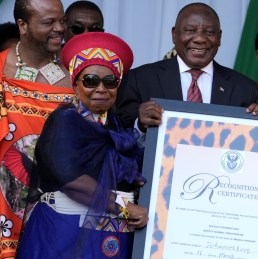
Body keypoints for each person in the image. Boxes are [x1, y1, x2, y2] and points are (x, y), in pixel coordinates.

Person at [17, 32, 148, 258]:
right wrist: (124, 207)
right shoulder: (65, 120)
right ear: (75, 83)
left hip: (109, 233)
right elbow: (71, 180)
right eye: (90, 81)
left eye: (110, 82)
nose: (101, 89)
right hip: (64, 230)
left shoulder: (115, 125)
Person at [0, 0, 73, 257]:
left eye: (62, 20)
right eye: (48, 22)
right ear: (23, 25)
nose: (60, 28)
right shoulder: (0, 69)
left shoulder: (75, 79)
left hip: (51, 207)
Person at [116, 3, 258, 132]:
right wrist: (140, 125)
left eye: (209, 32)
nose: (200, 39)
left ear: (220, 37)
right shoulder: (140, 79)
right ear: (174, 34)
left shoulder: (246, 89)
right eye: (191, 30)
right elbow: (118, 135)